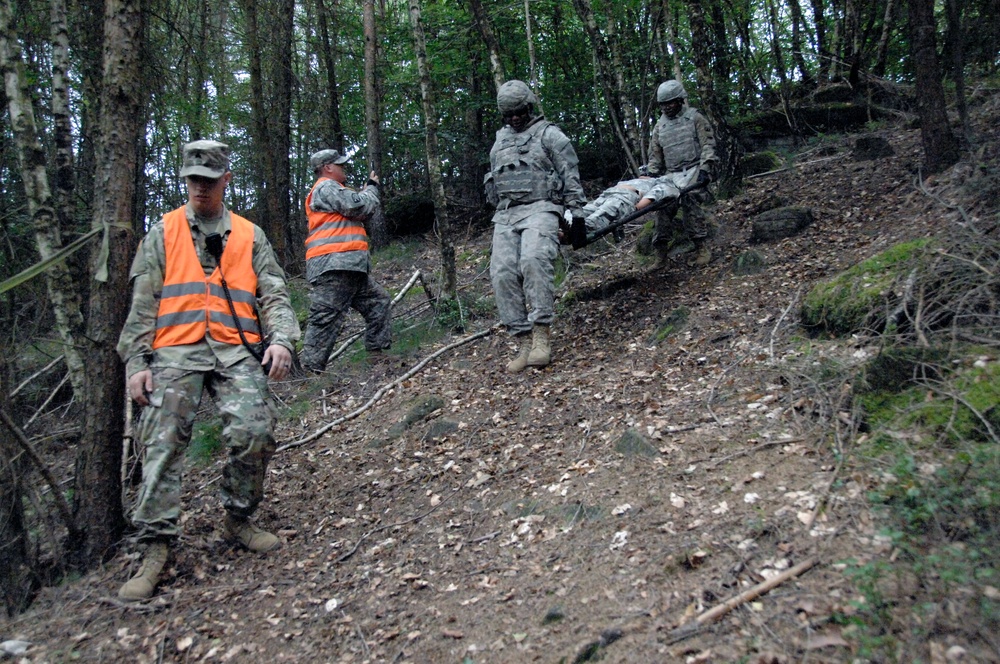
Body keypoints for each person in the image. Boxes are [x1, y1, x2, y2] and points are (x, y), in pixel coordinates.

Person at [116, 140, 300, 601]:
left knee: (254, 431)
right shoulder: (161, 233)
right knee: (161, 439)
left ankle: (239, 519)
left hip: (235, 350)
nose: (200, 187)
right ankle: (155, 547)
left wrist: (281, 340)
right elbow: (142, 304)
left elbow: (274, 292)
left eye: (209, 180)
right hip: (175, 351)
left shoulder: (250, 234)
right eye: (193, 179)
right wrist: (136, 361)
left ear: (225, 181)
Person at [485, 80, 586, 372]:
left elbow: (570, 174)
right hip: (506, 214)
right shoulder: (499, 141)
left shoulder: (550, 135)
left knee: (533, 260)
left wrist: (576, 215)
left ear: (529, 107)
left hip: (542, 206)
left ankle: (541, 334)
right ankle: (523, 341)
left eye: (519, 112)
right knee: (502, 273)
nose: (515, 118)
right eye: (508, 114)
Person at [299, 149, 390, 373]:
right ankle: (308, 374)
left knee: (379, 302)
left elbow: (358, 210)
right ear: (328, 167)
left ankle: (377, 358)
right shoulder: (326, 186)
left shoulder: (333, 190)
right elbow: (358, 206)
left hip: (347, 266)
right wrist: (371, 187)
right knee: (325, 320)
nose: (344, 168)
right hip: (334, 265)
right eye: (340, 164)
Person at [646, 79, 718, 266]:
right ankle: (660, 255)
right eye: (663, 104)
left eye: (670, 103)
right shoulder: (659, 127)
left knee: (690, 200)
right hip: (672, 174)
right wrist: (651, 175)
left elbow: (708, 145)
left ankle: (701, 248)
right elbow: (655, 156)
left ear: (680, 100)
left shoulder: (695, 118)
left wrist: (705, 168)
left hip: (694, 168)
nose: (666, 107)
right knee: (662, 207)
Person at [582, 175, 680, 235]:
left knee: (600, 216)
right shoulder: (644, 180)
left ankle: (581, 229)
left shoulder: (666, 184)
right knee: (580, 212)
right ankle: (569, 226)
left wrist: (636, 208)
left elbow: (654, 195)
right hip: (606, 195)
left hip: (624, 198)